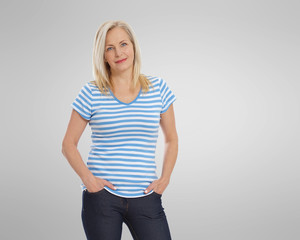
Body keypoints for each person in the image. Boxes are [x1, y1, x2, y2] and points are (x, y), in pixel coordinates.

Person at [61, 20, 178, 240]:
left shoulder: (158, 88)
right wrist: (89, 180)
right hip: (102, 198)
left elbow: (171, 139)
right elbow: (68, 144)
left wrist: (165, 178)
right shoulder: (91, 92)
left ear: (133, 46)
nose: (118, 53)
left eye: (123, 44)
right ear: (103, 55)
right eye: (110, 48)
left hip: (146, 196)